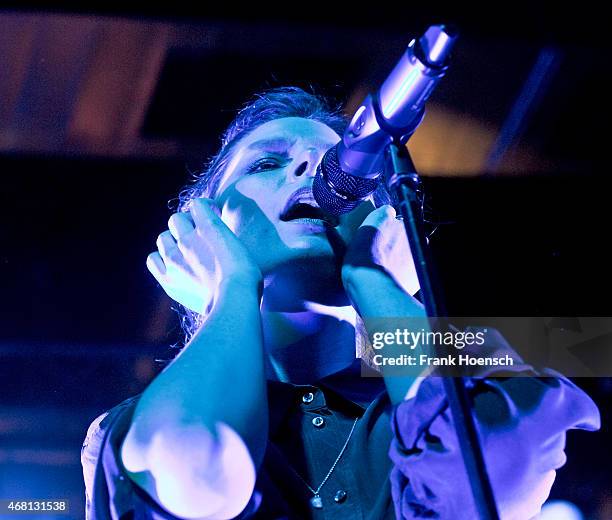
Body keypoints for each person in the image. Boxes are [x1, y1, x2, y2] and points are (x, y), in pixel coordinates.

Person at [81, 87, 600, 520]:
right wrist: (233, 285)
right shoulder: (127, 427)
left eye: (338, 168)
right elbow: (194, 461)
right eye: (266, 163)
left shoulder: (457, 375)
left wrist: (373, 282)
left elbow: (496, 459)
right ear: (205, 227)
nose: (312, 168)